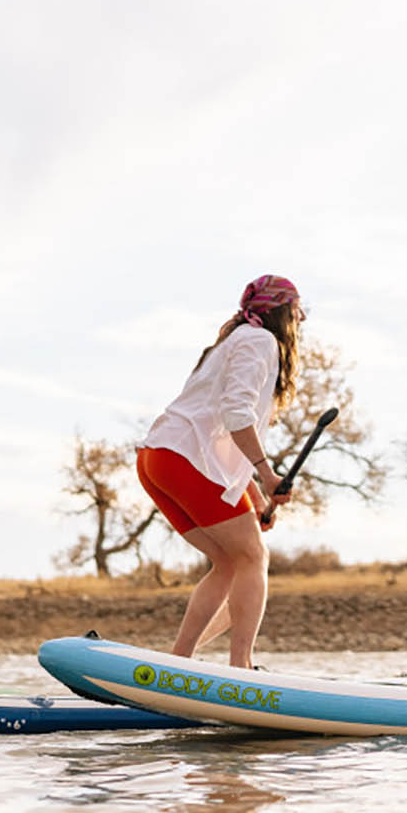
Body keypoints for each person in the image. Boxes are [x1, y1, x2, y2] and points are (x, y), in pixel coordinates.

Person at [134, 274, 304, 668]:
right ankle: (241, 668)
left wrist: (256, 497)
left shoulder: (232, 340)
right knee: (252, 558)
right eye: (298, 310)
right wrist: (267, 474)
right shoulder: (262, 341)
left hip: (160, 457)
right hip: (186, 460)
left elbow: (220, 428)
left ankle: (176, 665)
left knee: (230, 563)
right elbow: (235, 414)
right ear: (282, 312)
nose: (302, 320)